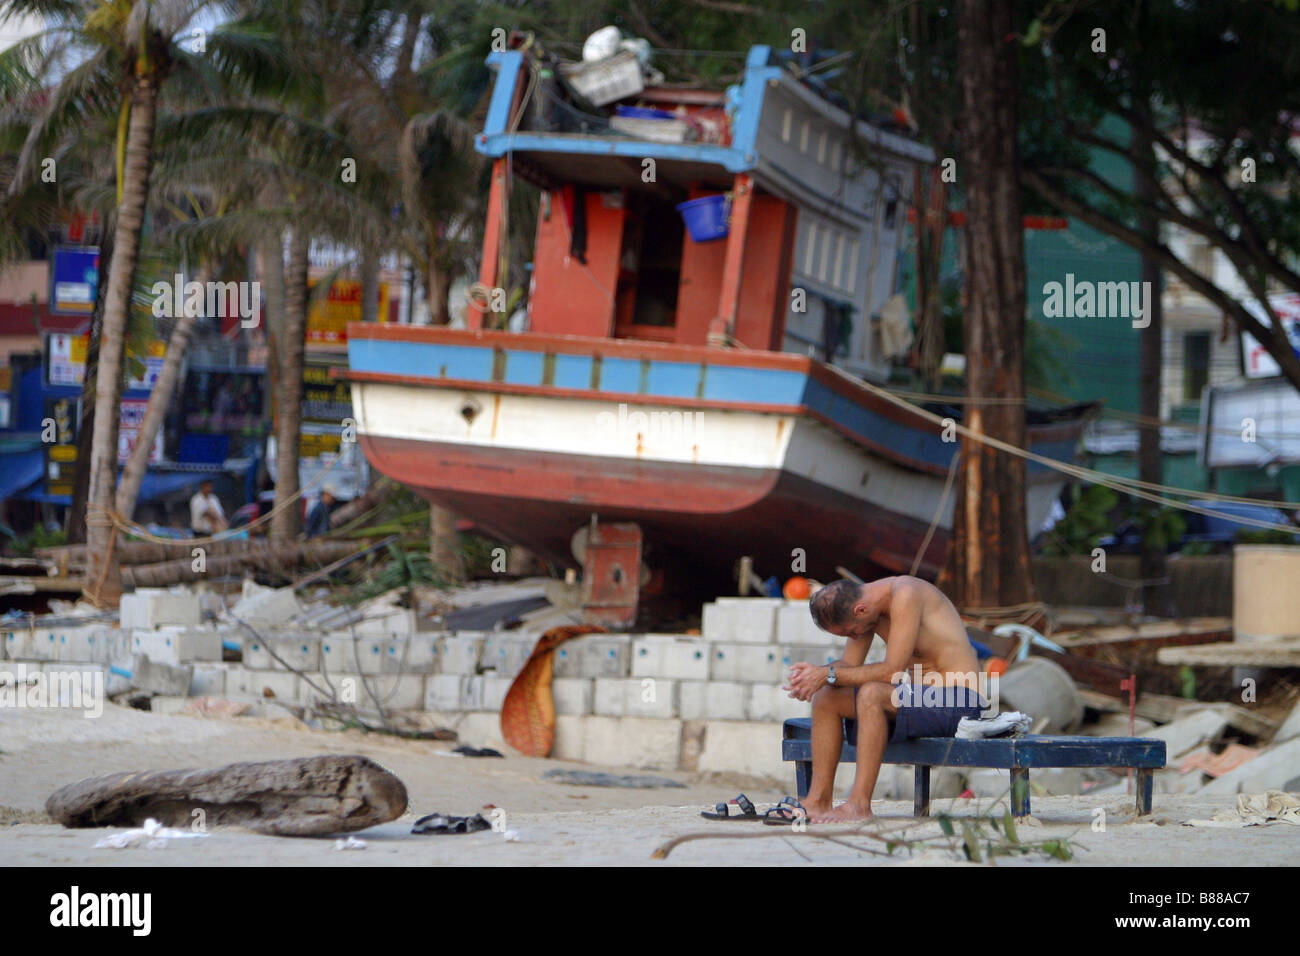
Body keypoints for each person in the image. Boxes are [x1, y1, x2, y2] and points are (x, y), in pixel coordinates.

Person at [784, 575, 987, 823]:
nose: (855, 637)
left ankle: (859, 805)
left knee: (872, 693)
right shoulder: (865, 610)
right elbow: (848, 665)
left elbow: (893, 671)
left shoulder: (906, 594)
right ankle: (818, 800)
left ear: (859, 610)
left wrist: (828, 674)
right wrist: (814, 675)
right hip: (917, 701)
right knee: (828, 697)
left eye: (851, 632)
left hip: (960, 700)